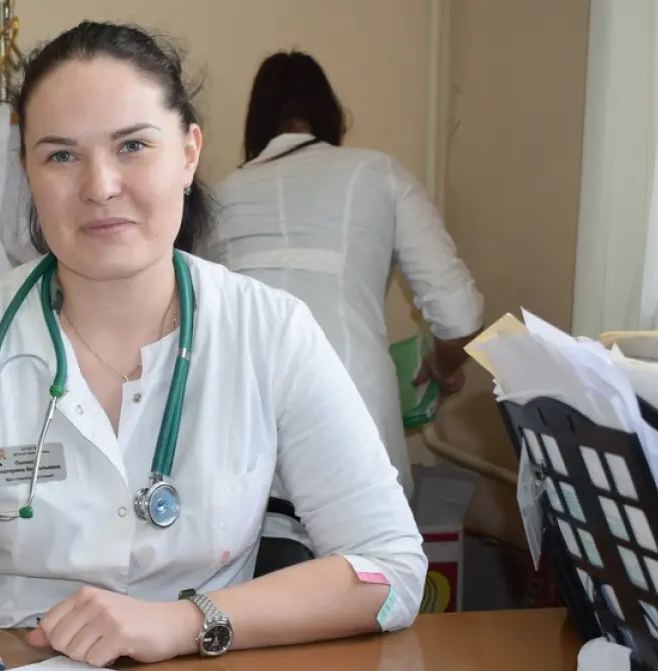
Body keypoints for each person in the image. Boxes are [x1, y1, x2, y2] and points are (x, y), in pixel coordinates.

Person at [0, 23, 427, 671]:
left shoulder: (271, 331)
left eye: (132, 145)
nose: (99, 186)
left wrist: (186, 621)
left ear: (188, 154)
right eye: (60, 155)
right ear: (26, 171)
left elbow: (389, 564)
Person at [206, 50, 485, 535]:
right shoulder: (377, 173)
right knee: (365, 573)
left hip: (239, 430)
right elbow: (460, 317)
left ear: (256, 122)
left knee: (254, 576)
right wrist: (443, 369)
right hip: (353, 419)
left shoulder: (219, 197)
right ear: (331, 114)